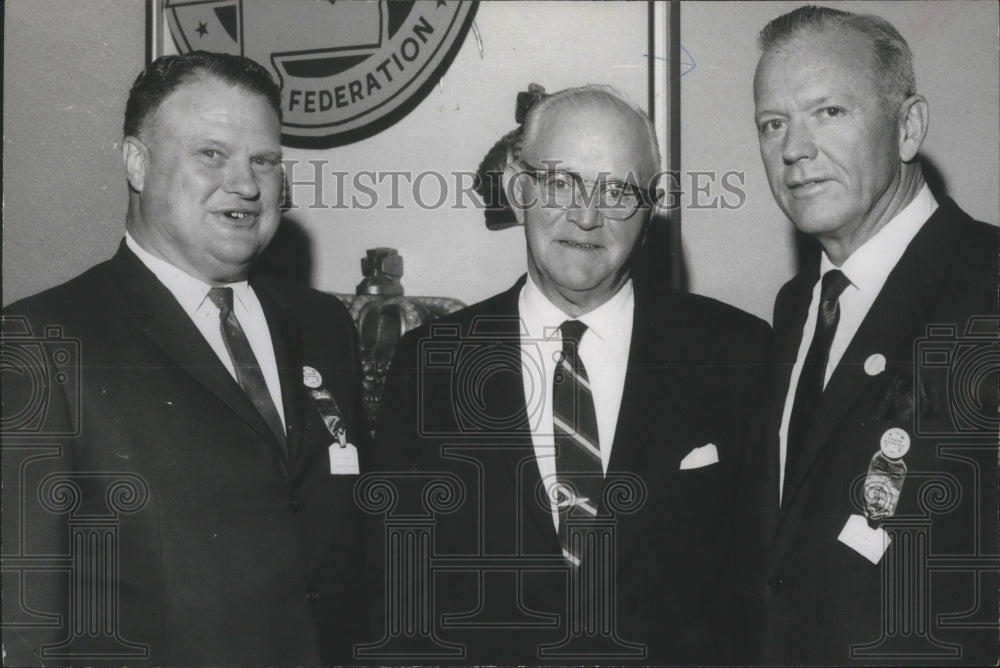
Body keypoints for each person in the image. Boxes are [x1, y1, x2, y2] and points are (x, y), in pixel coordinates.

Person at [368, 86, 771, 665]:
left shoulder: (737, 353)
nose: (586, 216)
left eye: (618, 190)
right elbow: (396, 592)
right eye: (560, 183)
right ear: (516, 186)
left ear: (650, 206)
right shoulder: (429, 363)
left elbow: (758, 587)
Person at [1, 52, 368, 665]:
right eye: (211, 154)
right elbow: (27, 613)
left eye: (265, 160)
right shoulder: (43, 339)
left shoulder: (324, 325)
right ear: (137, 163)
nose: (246, 184)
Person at [750, 6, 999, 665]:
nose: (793, 149)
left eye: (828, 111)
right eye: (773, 123)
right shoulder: (795, 306)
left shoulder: (987, 285)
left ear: (909, 126)